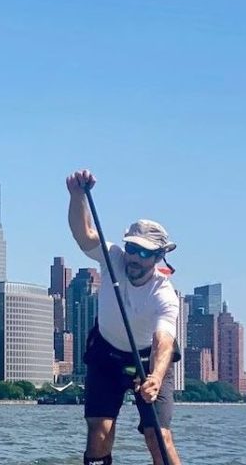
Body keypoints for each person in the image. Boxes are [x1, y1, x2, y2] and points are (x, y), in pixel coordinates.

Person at [66, 169, 182, 465]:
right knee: (99, 432)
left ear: (158, 258)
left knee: (158, 437)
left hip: (147, 360)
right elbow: (85, 235)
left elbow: (163, 340)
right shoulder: (113, 257)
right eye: (132, 248)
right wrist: (77, 196)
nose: (134, 257)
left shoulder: (164, 294)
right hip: (105, 355)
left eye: (144, 253)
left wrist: (155, 377)